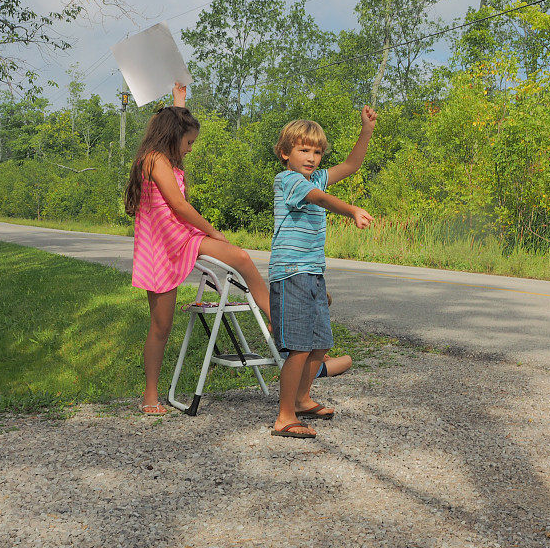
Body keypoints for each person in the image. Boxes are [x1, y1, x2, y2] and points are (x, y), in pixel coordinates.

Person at [127, 83, 271, 416]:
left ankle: (277, 324)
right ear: (172, 137)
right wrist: (214, 232)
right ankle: (150, 395)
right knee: (160, 326)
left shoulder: (163, 155)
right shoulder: (154, 159)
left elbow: (176, 125)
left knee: (243, 259)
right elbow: (177, 205)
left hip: (181, 238)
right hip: (161, 246)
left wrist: (180, 101)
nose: (190, 149)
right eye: (189, 142)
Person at [269, 108, 376, 438]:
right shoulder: (288, 181)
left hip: (312, 273)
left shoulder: (314, 177)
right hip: (291, 274)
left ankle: (302, 400)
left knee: (318, 344)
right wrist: (351, 209)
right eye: (304, 150)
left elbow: (351, 165)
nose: (312, 157)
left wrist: (366, 130)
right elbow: (319, 199)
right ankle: (284, 416)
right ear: (286, 153)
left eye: (317, 151)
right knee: (299, 348)